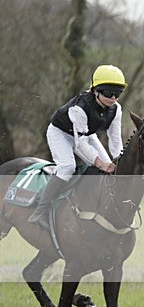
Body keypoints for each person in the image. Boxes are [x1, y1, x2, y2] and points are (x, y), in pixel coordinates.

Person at [27, 64, 127, 229]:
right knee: (67, 166)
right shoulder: (79, 108)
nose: (114, 98)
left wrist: (119, 160)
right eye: (109, 93)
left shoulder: (116, 109)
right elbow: (79, 145)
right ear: (96, 90)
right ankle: (40, 211)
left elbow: (114, 139)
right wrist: (100, 163)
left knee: (110, 166)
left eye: (118, 94)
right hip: (60, 133)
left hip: (85, 134)